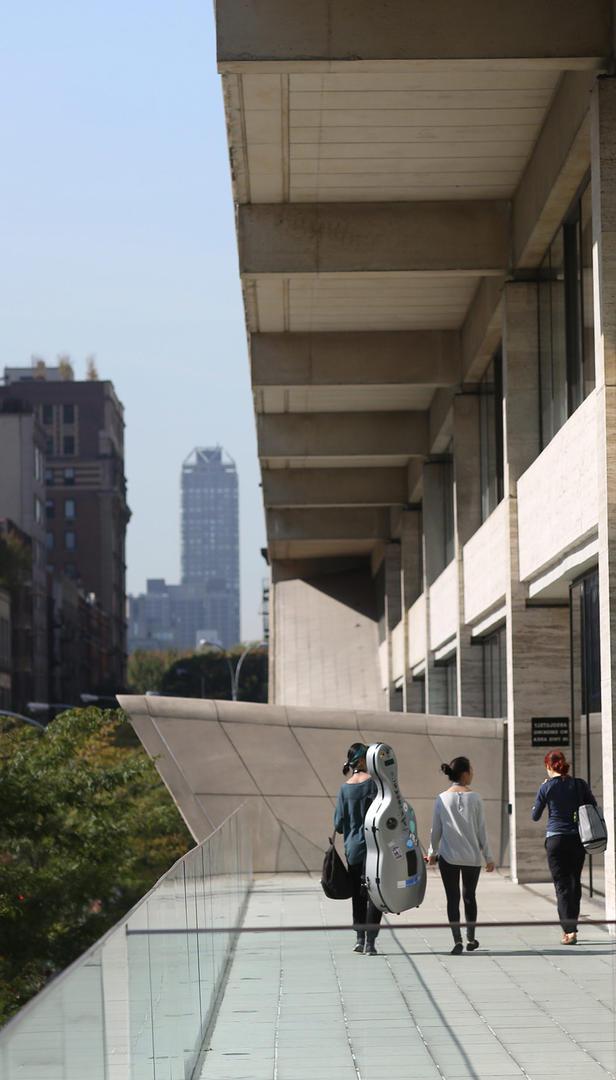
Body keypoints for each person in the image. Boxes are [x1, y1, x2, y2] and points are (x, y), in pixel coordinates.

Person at [428, 756, 495, 955]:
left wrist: (432, 853)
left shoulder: (441, 798)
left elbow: (436, 829)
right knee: (469, 897)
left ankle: (457, 940)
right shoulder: (475, 798)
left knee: (452, 898)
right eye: (471, 770)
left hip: (448, 857)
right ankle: (471, 938)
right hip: (472, 858)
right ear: (465, 773)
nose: (473, 773)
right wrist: (488, 857)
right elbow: (482, 830)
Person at [531, 749, 596, 944]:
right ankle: (572, 928)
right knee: (574, 882)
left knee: (562, 885)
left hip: (556, 840)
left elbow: (535, 815)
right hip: (577, 839)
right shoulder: (579, 784)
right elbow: (592, 806)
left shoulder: (547, 787)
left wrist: (542, 790)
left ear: (548, 766)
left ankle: (569, 931)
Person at [334, 742, 383, 956]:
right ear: (364, 760)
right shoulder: (375, 785)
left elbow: (338, 824)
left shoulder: (345, 788)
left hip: (353, 848)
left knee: (358, 894)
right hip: (375, 847)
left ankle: (359, 938)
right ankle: (371, 943)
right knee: (375, 893)